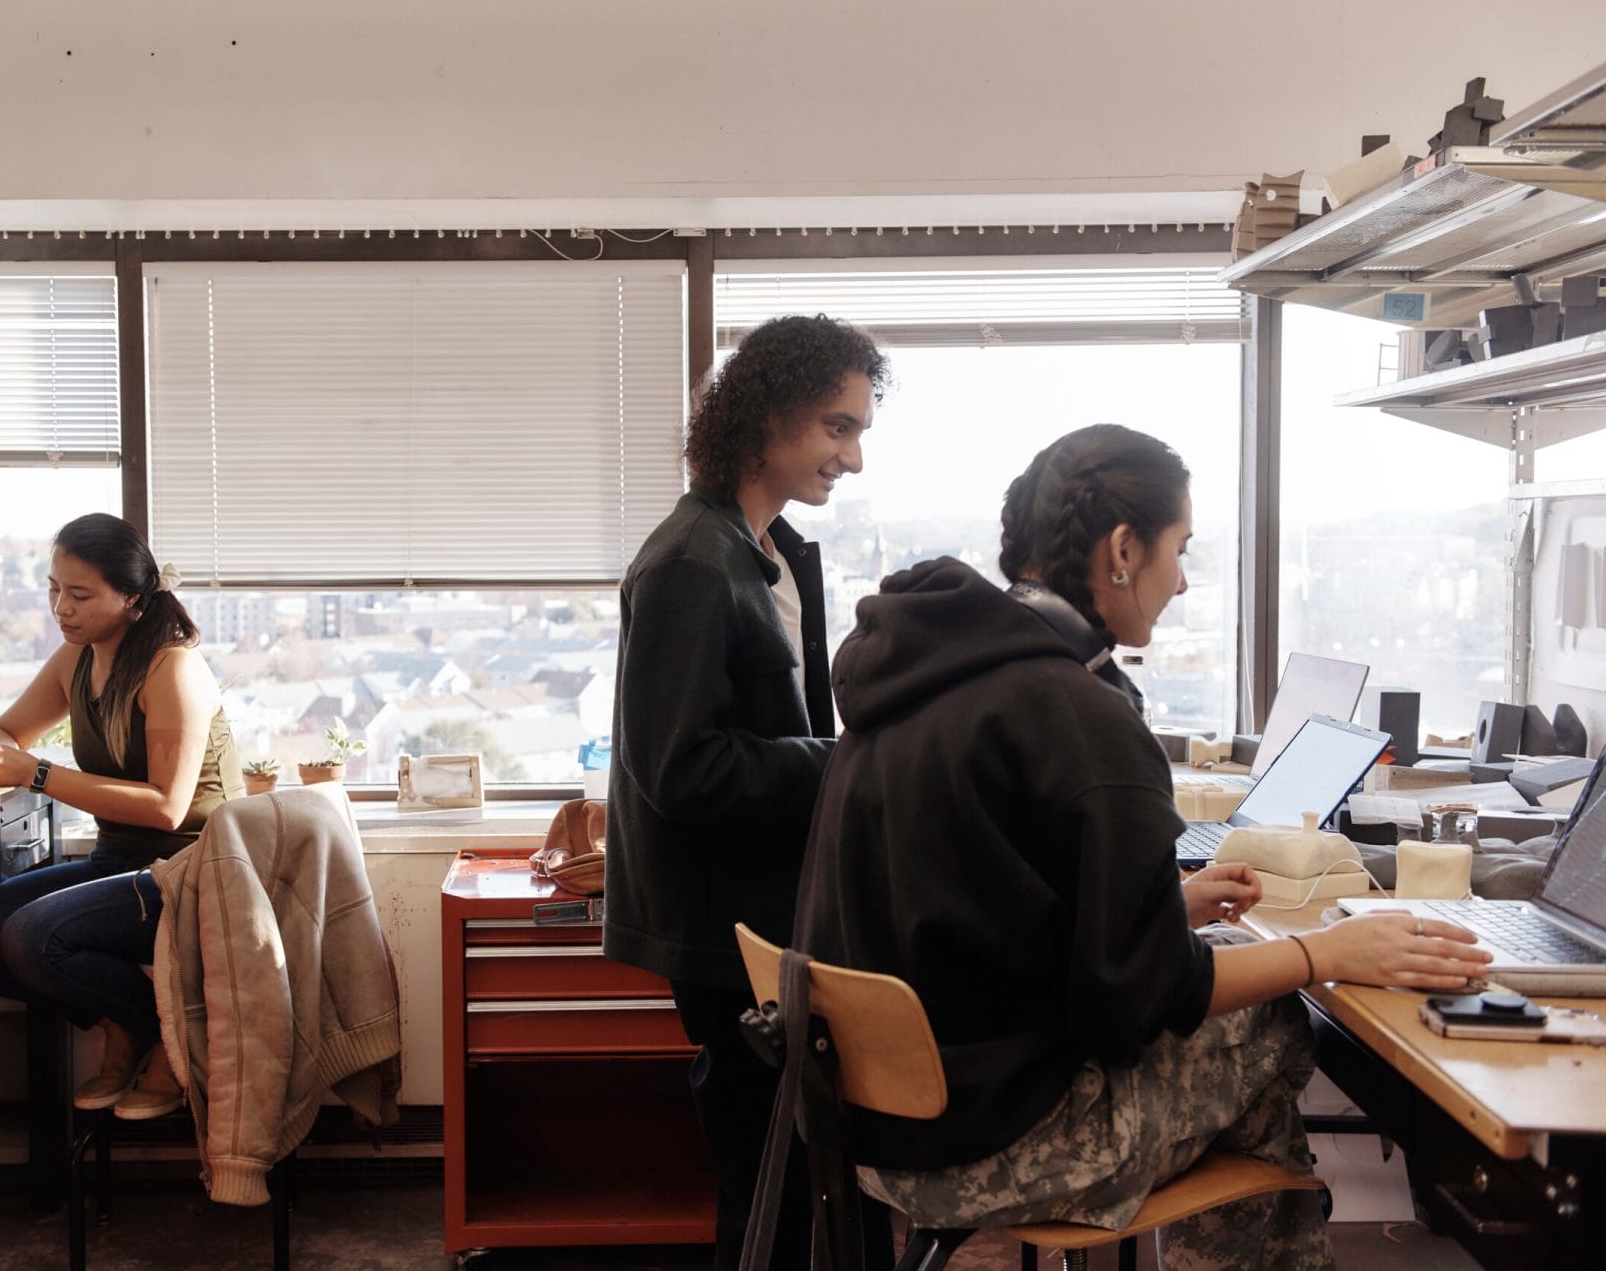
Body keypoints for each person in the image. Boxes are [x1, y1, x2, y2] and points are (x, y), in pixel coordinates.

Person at [793, 423, 1491, 1270]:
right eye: (1179, 550)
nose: (1183, 581)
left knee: (1234, 973)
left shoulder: (923, 676)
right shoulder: (1080, 716)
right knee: (1271, 1020)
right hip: (994, 1148)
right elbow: (1137, 1002)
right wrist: (1327, 951)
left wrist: (1159, 905)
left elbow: (979, 902)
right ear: (1123, 550)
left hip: (877, 1128)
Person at [603, 313, 893, 1270]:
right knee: (767, 1171)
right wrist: (843, 759)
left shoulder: (770, 547)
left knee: (792, 1167)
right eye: (836, 427)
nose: (851, 457)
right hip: (723, 925)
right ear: (767, 418)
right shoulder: (693, 560)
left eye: (857, 430)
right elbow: (677, 766)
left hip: (769, 909)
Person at [0, 511, 243, 1117]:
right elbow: (11, 728)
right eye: (53, 589)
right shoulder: (76, 659)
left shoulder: (171, 668)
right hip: (117, 862)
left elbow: (167, 807)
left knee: (31, 935)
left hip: (189, 873)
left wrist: (36, 774)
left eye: (79, 594)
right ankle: (128, 1024)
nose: (60, 609)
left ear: (131, 598)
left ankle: (169, 1034)